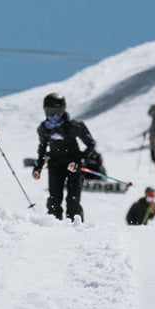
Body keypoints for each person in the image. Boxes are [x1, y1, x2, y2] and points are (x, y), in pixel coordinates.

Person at [31, 93, 97, 221]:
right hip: (55, 165)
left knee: (73, 201)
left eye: (57, 111)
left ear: (63, 109)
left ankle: (75, 226)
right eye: (50, 111)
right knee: (54, 200)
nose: (53, 115)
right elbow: (42, 148)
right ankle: (54, 227)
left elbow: (91, 144)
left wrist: (82, 160)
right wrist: (38, 167)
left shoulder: (74, 127)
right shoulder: (45, 128)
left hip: (74, 165)